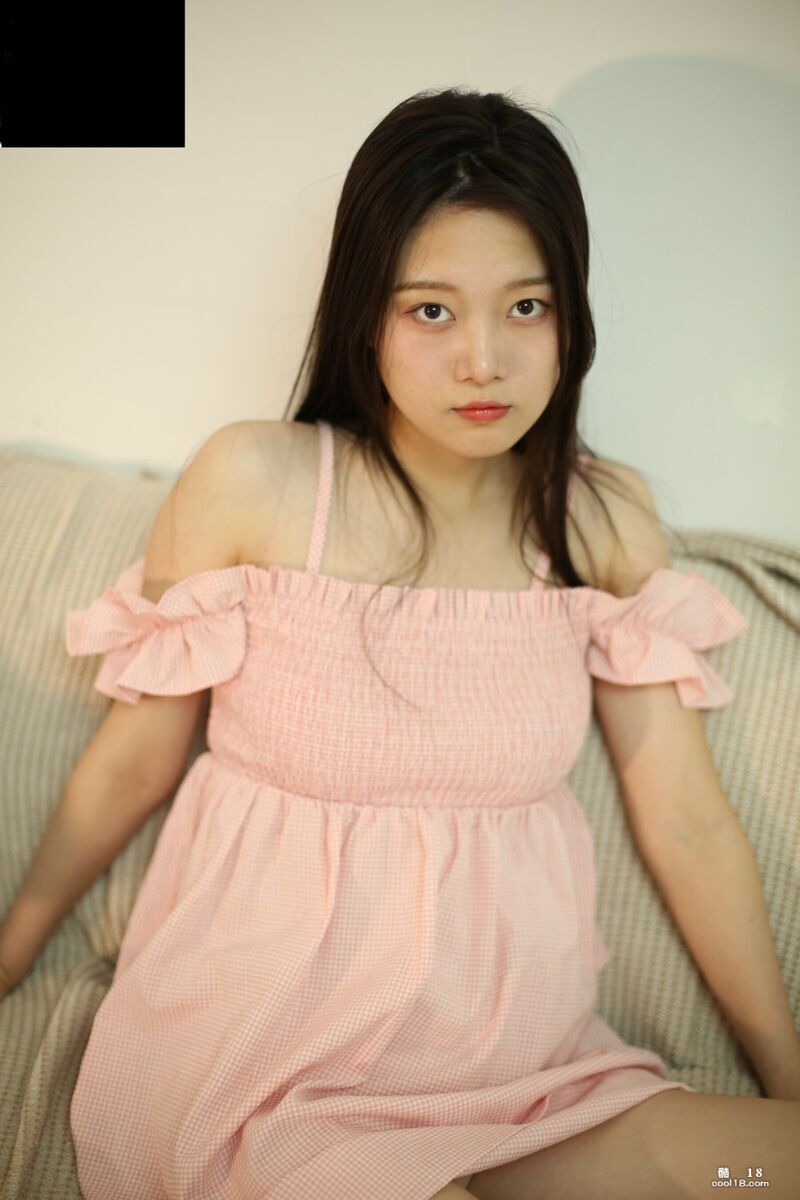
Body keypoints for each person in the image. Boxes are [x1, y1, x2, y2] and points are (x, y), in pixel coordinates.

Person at [1, 86, 798, 1200]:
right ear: (364, 316)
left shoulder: (598, 520)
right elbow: (134, 761)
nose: (484, 359)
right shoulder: (256, 481)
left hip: (523, 1081)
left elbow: (687, 823)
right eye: (431, 311)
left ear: (570, 315)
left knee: (766, 1171)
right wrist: (15, 948)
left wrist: (787, 1080)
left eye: (526, 307)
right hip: (272, 1076)